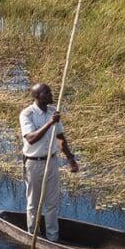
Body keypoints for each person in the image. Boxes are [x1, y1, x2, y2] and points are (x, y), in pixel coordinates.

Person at [19, 83, 79, 240]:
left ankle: (53, 238)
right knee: (33, 204)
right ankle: (33, 236)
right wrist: (50, 123)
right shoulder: (27, 114)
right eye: (47, 92)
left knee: (52, 204)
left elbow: (60, 139)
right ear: (38, 96)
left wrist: (70, 159)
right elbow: (31, 138)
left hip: (51, 162)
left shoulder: (53, 112)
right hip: (33, 163)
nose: (51, 94)